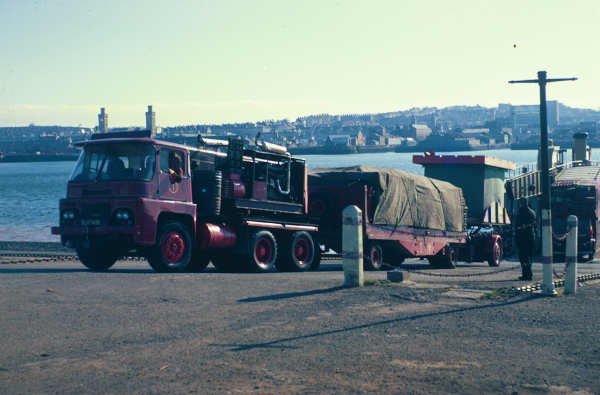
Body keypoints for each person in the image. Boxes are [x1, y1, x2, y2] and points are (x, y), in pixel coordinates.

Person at [515, 197, 536, 280]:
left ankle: (526, 274)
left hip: (523, 237)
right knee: (529, 256)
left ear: (521, 203)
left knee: (523, 257)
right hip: (531, 236)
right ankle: (529, 273)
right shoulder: (532, 212)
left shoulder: (521, 212)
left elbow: (518, 225)